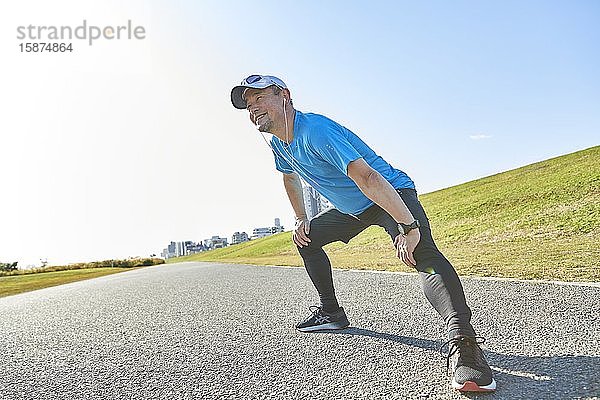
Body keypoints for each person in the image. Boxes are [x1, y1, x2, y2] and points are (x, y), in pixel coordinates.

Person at [231, 74, 496, 393]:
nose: (253, 108)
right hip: (352, 208)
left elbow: (368, 178)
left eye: (259, 98)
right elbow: (290, 179)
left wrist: (408, 227)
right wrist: (301, 218)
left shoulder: (315, 130)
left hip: (389, 195)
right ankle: (331, 312)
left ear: (285, 95)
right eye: (248, 103)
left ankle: (464, 344)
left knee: (422, 255)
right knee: (306, 240)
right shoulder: (278, 144)